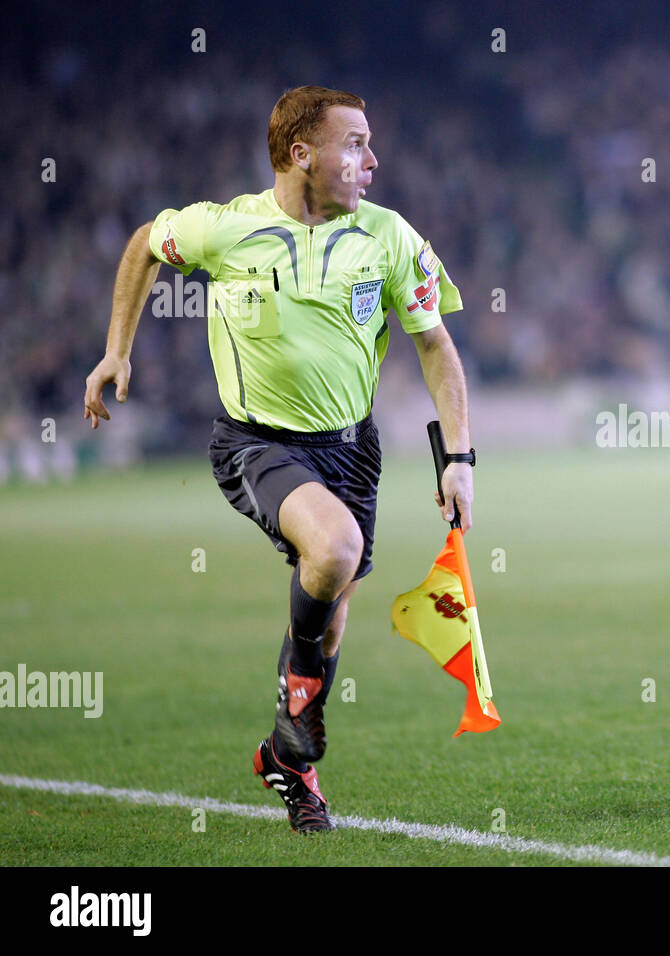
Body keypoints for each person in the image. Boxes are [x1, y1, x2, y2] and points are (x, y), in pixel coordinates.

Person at [83, 85, 475, 833]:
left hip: (354, 452)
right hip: (256, 444)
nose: (373, 159)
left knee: (329, 624)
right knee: (335, 547)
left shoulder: (387, 237)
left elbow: (435, 346)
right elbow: (143, 244)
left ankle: (288, 763)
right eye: (355, 144)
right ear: (302, 154)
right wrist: (117, 349)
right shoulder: (228, 230)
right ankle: (296, 697)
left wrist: (457, 457)